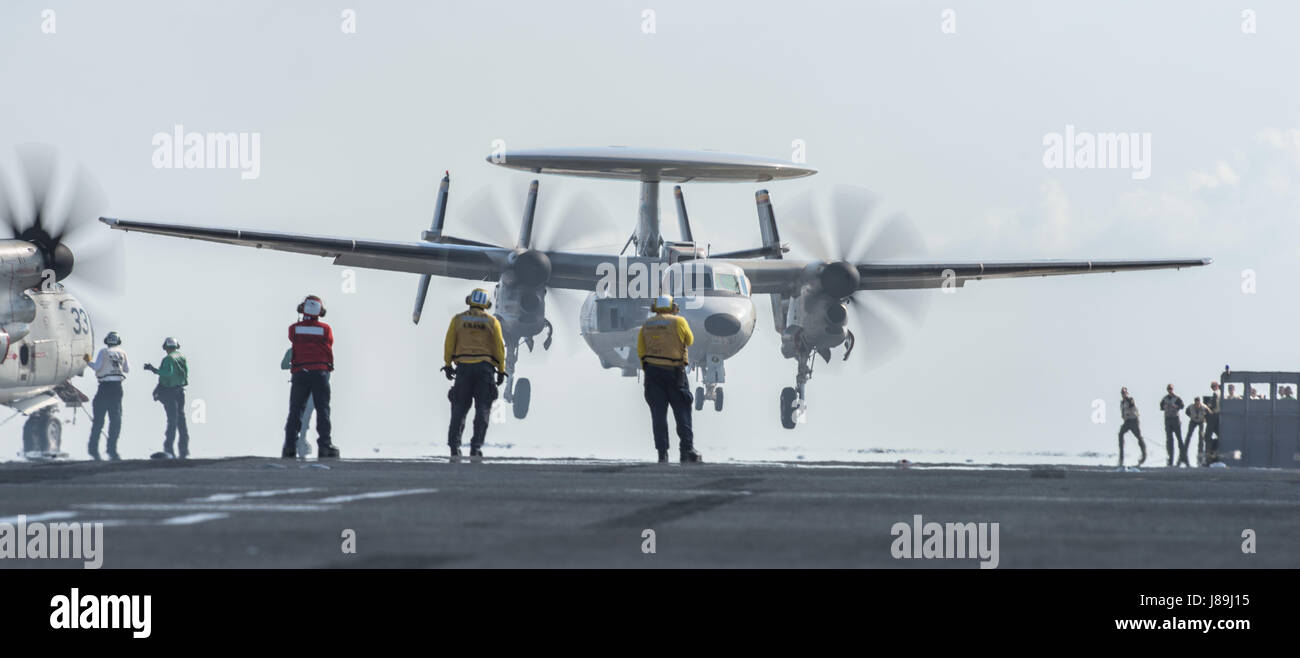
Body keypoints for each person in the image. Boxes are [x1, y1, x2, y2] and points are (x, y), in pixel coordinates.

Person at [442, 288, 506, 462]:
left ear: (469, 300)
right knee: (482, 410)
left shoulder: (458, 320)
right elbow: (499, 349)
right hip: (484, 371)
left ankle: (454, 448)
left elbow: (449, 344)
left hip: (463, 369)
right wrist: (501, 370)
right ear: (487, 304)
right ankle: (475, 448)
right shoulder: (492, 322)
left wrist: (448, 365)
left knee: (459, 409)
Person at [637, 294, 702, 464]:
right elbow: (690, 340)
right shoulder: (679, 322)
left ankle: (662, 453)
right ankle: (686, 450)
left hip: (652, 374)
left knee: (658, 414)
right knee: (682, 412)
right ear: (673, 307)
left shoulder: (647, 325)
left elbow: (641, 350)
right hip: (675, 372)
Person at [284, 295, 339, 459]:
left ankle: (289, 447)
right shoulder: (325, 329)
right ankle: (324, 446)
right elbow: (329, 343)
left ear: (302, 309)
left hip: (300, 373)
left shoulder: (294, 329)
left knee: (295, 410)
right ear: (320, 312)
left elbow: (292, 338)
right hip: (320, 373)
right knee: (323, 410)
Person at [84, 331, 129, 461]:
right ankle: (112, 449)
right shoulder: (122, 353)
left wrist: (88, 361)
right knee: (115, 419)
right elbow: (127, 370)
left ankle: (93, 449)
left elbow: (97, 367)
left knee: (99, 420)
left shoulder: (103, 352)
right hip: (117, 388)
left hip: (104, 388)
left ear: (107, 341)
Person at [143, 337, 190, 458]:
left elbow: (167, 373)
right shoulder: (181, 357)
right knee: (181, 417)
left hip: (171, 392)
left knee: (172, 419)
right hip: (180, 391)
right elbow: (185, 372)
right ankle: (184, 446)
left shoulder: (168, 359)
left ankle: (168, 445)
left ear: (166, 347)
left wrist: (153, 369)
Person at [281, 347, 314, 458]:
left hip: (300, 382)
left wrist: (297, 367)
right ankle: (299, 439)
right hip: (312, 385)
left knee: (297, 412)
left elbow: (284, 365)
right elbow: (284, 365)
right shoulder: (316, 349)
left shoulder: (293, 350)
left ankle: (294, 440)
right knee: (304, 413)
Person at [1117, 386, 1145, 468]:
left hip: (1134, 421)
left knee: (1139, 437)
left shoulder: (1130, 400)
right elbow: (1122, 412)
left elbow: (1131, 406)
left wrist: (1128, 412)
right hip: (1127, 422)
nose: (1123, 395)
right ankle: (1121, 458)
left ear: (1127, 393)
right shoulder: (1122, 403)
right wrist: (1123, 416)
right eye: (1122, 393)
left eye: (1125, 393)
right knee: (1120, 434)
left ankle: (1143, 455)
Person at [1159, 384, 1185, 467]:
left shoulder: (1177, 398)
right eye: (1169, 389)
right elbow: (1161, 407)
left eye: (1171, 389)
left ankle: (1182, 456)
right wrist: (1164, 406)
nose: (1170, 390)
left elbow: (1182, 406)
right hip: (1168, 419)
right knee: (1169, 440)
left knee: (1179, 438)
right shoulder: (1165, 399)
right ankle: (1170, 458)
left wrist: (1176, 406)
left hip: (1175, 419)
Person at [1186, 396, 1210, 466]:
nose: (1197, 404)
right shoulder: (1191, 407)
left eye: (1198, 402)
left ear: (1199, 402)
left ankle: (1200, 452)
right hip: (1193, 421)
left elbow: (1209, 412)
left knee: (1201, 437)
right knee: (1189, 435)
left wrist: (1205, 418)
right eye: (1196, 402)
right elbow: (1186, 412)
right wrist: (1191, 416)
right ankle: (1185, 450)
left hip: (1201, 421)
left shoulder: (1204, 407)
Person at [1203, 381, 1222, 466]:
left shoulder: (1215, 393)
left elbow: (1213, 406)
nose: (1213, 388)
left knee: (1207, 437)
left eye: (1213, 386)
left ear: (1217, 386)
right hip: (1219, 417)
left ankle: (1208, 458)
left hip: (1214, 416)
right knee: (1220, 435)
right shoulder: (1222, 393)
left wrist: (1208, 407)